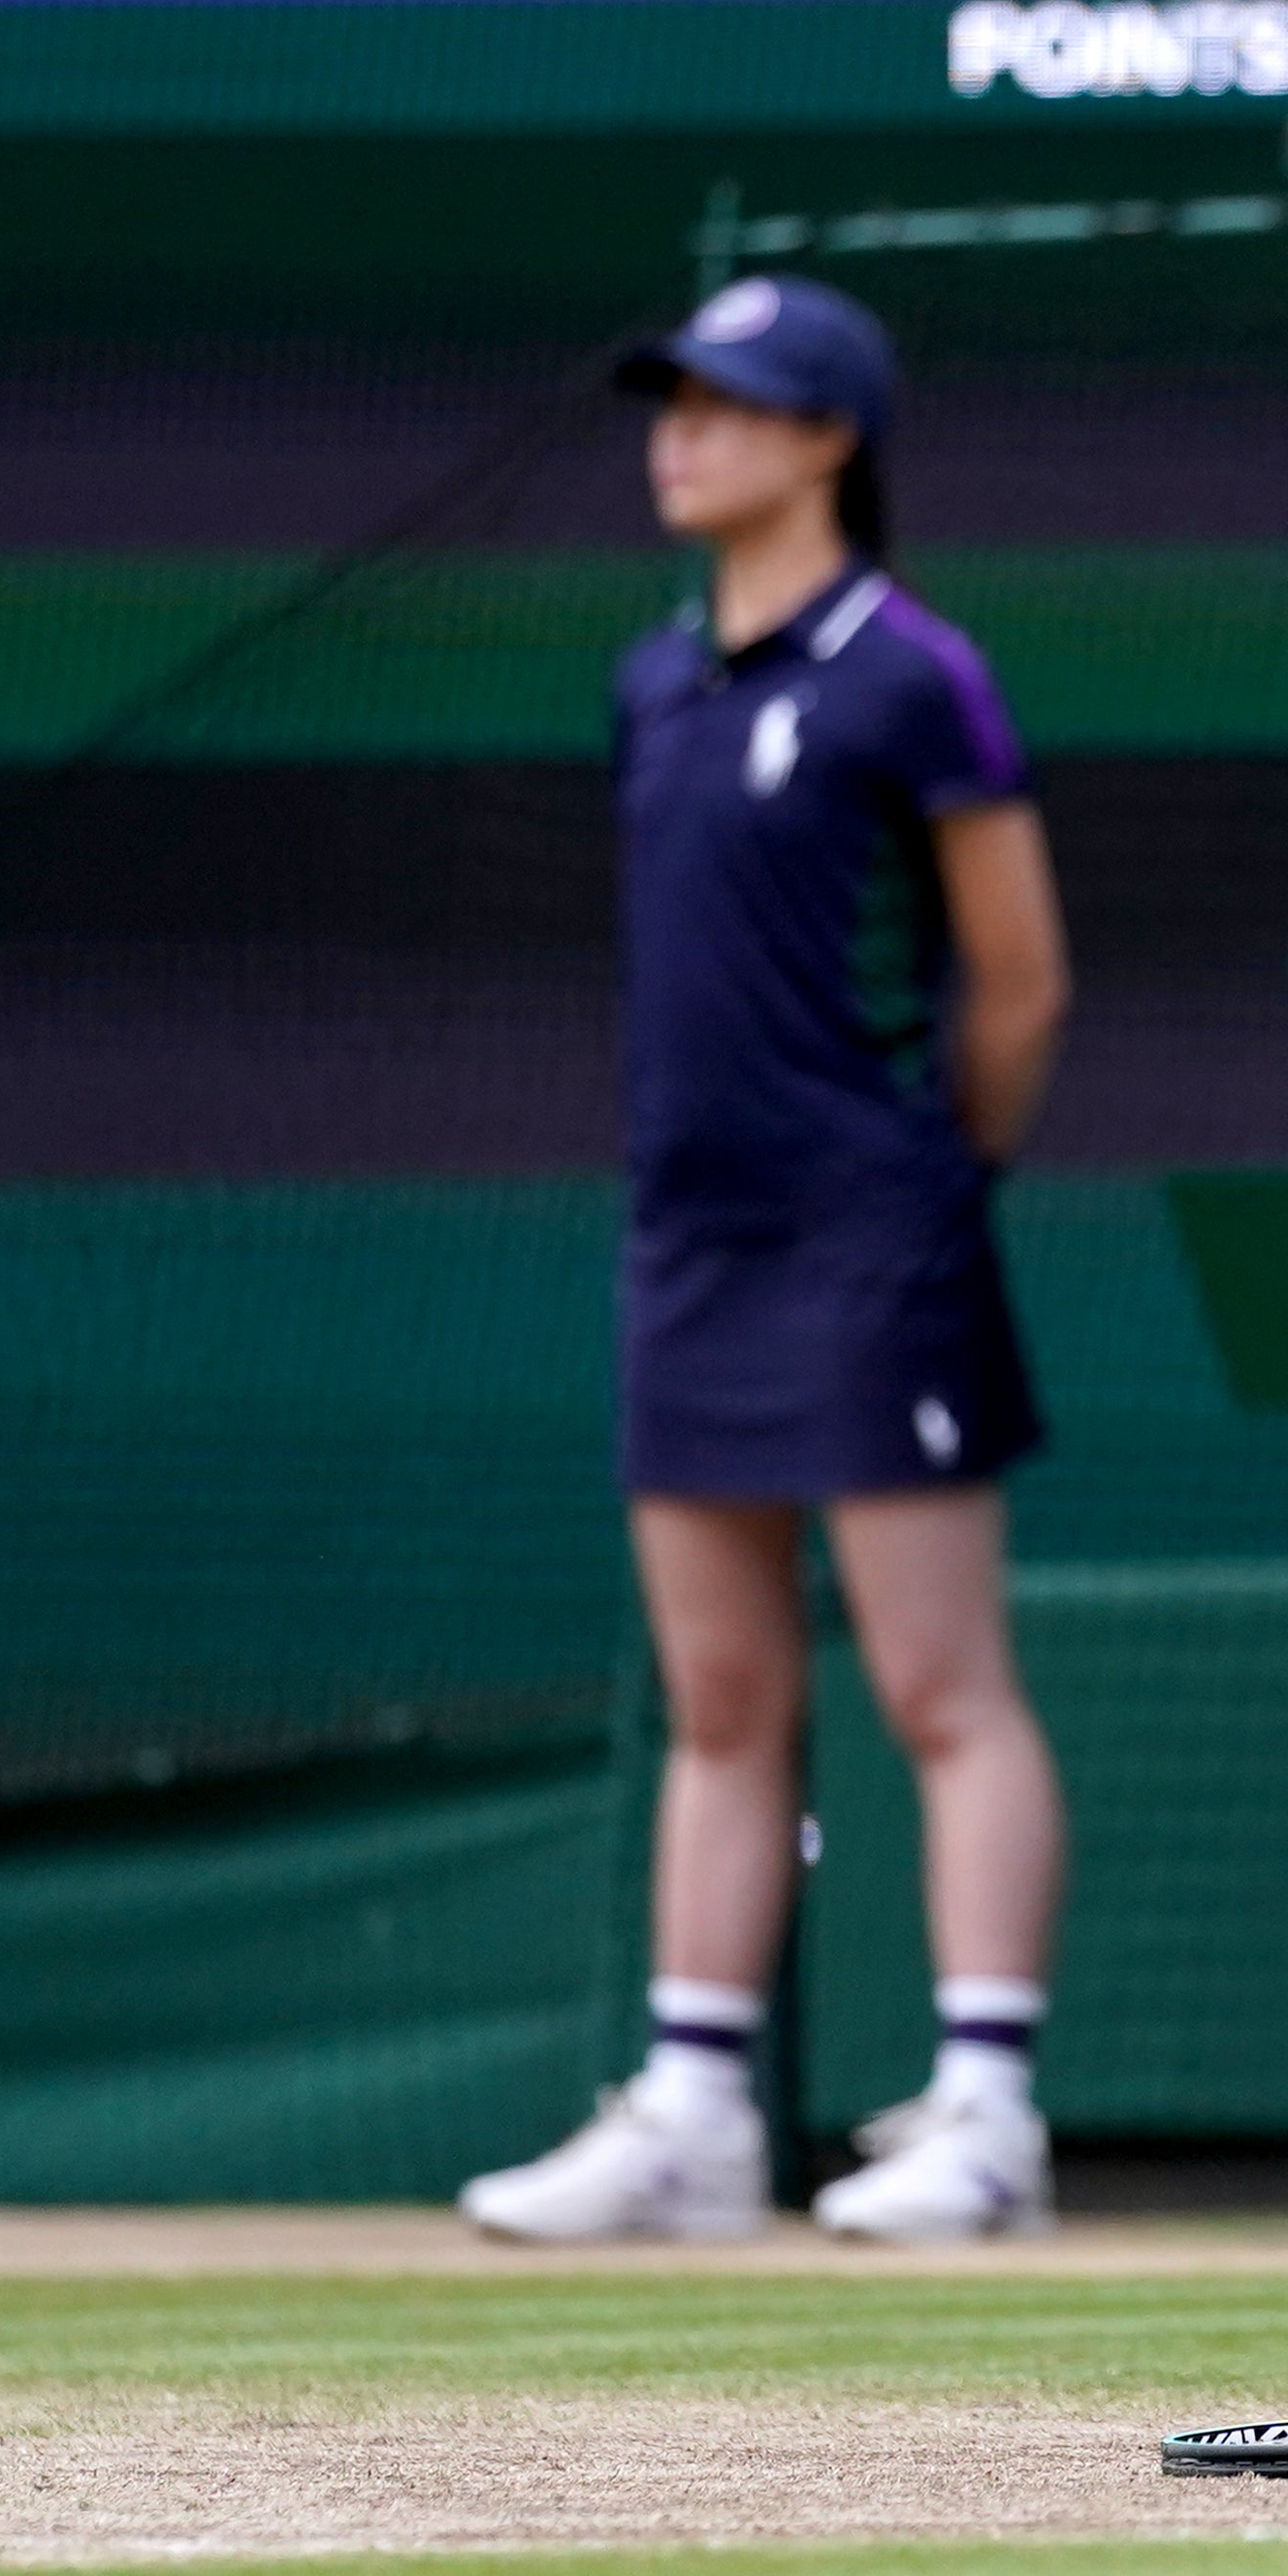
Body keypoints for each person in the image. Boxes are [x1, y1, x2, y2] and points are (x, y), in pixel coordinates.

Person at [461, 274, 1078, 2246]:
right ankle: (695, 2110)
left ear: (828, 440)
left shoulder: (915, 673)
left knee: (938, 1680)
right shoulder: (653, 681)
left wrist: (926, 1174)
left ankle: (988, 2109)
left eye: (729, 404)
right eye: (672, 402)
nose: (682, 435)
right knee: (719, 1690)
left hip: (873, 1233)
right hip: (690, 1242)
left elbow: (1020, 980)